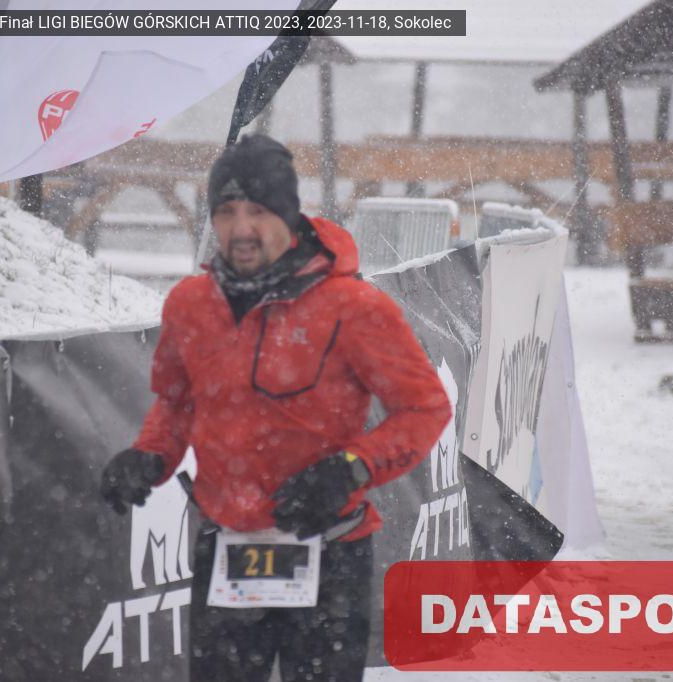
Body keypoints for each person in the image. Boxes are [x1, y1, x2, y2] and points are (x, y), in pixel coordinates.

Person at [100, 133, 452, 680]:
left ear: (289, 217)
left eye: (258, 211)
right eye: (226, 212)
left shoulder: (354, 306)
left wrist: (350, 469)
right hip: (226, 548)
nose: (241, 229)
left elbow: (424, 409)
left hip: (329, 550)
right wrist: (149, 456)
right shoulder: (190, 305)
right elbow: (177, 402)